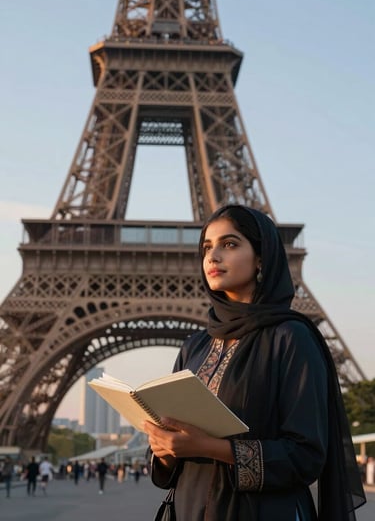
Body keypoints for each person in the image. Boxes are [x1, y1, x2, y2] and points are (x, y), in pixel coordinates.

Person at [144, 205, 366, 521]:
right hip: (188, 509)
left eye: (230, 244)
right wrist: (164, 448)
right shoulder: (195, 347)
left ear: (261, 258)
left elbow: (306, 457)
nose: (213, 256)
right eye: (207, 247)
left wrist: (209, 446)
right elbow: (163, 467)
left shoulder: (291, 338)